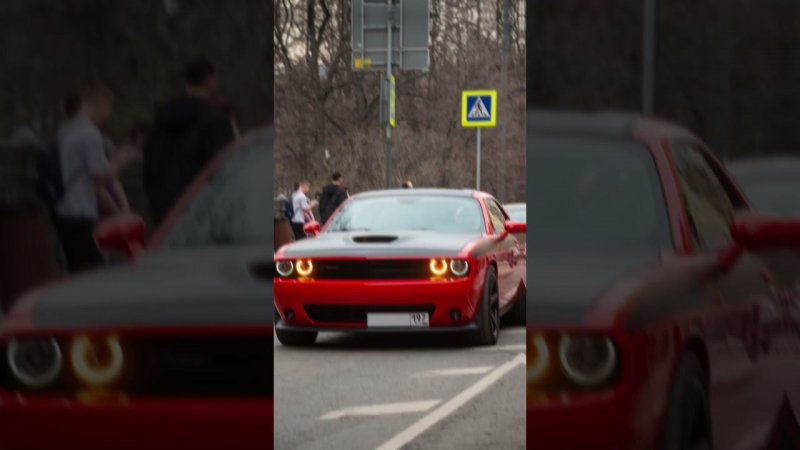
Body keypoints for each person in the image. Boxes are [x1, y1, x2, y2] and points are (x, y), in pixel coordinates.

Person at [143, 58, 235, 225]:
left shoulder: (162, 118)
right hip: (203, 209)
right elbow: (224, 166)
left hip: (165, 208)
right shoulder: (214, 118)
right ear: (209, 80)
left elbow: (150, 161)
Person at [53, 85, 135, 273]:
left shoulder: (65, 131)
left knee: (76, 267)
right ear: (99, 104)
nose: (108, 115)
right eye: (109, 108)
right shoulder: (90, 133)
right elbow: (100, 177)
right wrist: (120, 162)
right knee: (91, 269)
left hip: (64, 209)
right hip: (82, 210)